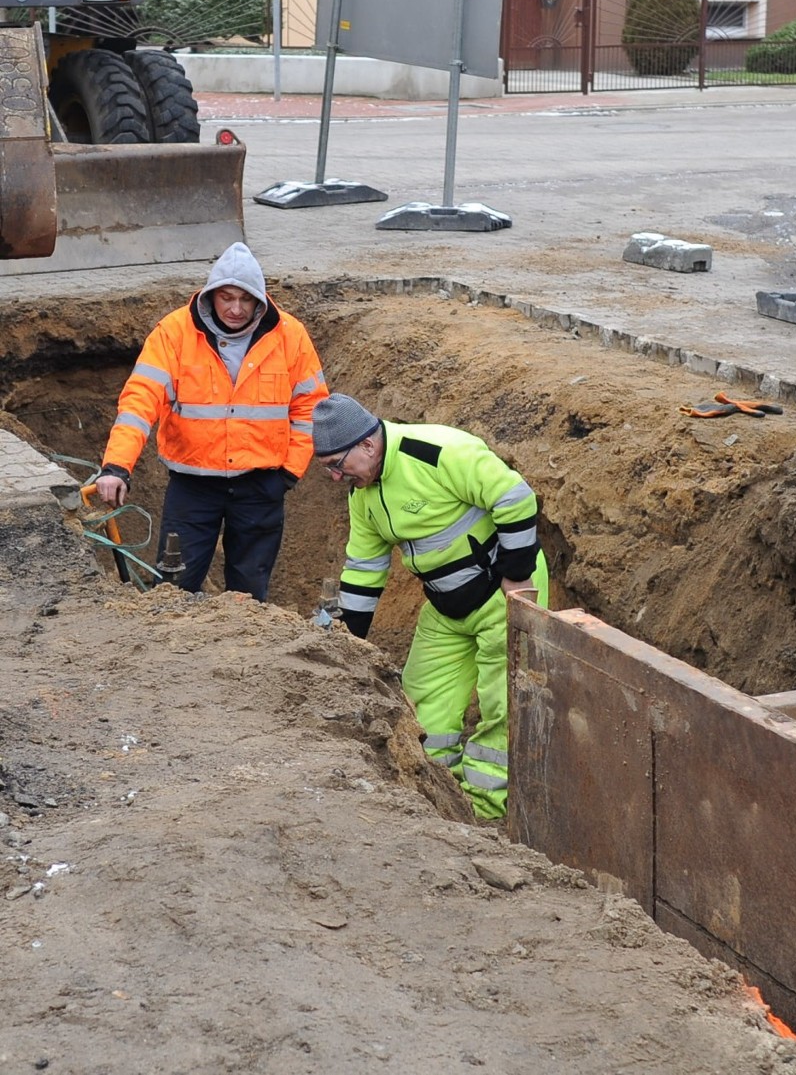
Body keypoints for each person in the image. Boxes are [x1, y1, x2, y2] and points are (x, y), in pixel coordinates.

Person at [312, 392, 548, 820]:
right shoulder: (362, 495)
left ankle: (489, 814)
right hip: (444, 606)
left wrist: (515, 576)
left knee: (502, 704)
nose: (334, 476)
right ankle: (441, 805)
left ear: (367, 445)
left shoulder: (437, 451)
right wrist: (345, 641)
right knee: (422, 703)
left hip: (503, 592)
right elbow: (365, 570)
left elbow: (514, 497)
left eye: (335, 464)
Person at [95, 242, 328, 602]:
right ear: (211, 296)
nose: (236, 309)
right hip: (193, 487)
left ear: (260, 300)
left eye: (245, 300)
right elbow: (139, 402)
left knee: (249, 597)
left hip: (260, 487)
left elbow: (311, 410)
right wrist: (116, 466)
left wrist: (287, 475)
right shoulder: (174, 333)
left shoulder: (290, 336)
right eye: (227, 298)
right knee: (174, 592)